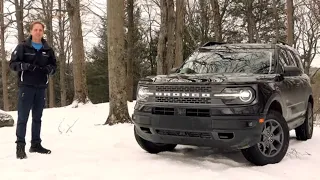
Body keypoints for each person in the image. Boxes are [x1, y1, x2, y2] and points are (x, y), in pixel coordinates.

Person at [9, 21, 57, 159]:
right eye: (35, 29)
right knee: (23, 118)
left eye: (40, 30)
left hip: (41, 87)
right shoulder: (23, 47)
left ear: (43, 32)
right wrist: (25, 66)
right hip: (26, 87)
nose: (38, 32)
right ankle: (20, 146)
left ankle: (35, 144)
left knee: (37, 118)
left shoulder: (48, 49)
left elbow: (54, 66)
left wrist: (49, 69)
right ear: (31, 31)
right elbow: (12, 64)